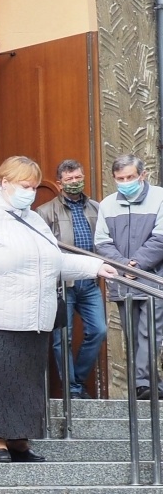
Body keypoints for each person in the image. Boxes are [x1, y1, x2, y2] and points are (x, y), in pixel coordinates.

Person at [0, 156, 113, 461]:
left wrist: (97, 267)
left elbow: (55, 260)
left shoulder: (33, 220)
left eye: (35, 186)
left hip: (33, 318)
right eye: (25, 185)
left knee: (25, 382)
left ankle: (19, 439)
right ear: (4, 182)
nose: (31, 192)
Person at [94, 155, 163, 398]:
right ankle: (149, 383)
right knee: (131, 333)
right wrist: (124, 266)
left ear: (142, 175)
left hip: (153, 279)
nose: (125, 182)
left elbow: (161, 238)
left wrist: (136, 264)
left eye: (130, 177)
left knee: (149, 332)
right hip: (124, 280)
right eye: (120, 178)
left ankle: (142, 383)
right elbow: (101, 242)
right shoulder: (107, 204)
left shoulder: (160, 197)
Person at [37, 159, 107, 396]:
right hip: (61, 285)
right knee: (61, 339)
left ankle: (76, 381)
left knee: (99, 331)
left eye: (78, 177)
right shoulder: (45, 212)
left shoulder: (97, 208)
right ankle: (72, 390)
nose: (75, 182)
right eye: (69, 179)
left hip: (89, 283)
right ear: (59, 183)